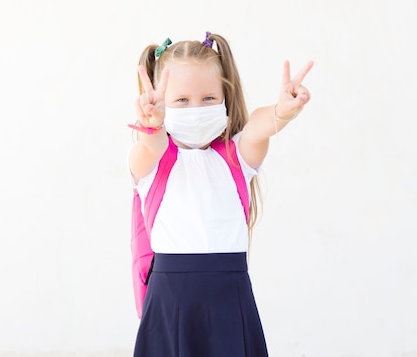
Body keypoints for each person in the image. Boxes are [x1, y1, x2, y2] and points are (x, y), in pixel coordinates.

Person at [128, 31, 313, 357]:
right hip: (170, 300)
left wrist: (281, 112)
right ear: (160, 102)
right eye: (181, 100)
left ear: (225, 97)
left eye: (209, 98)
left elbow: (258, 126)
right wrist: (153, 127)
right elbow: (148, 147)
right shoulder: (155, 161)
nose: (196, 108)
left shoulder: (237, 157)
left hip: (229, 299)